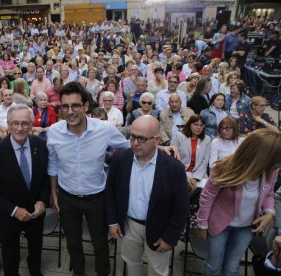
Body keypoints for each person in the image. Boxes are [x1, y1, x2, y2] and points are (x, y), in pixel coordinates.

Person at [47, 82, 177, 276]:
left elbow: (129, 145)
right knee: (72, 242)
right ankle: (79, 272)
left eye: (75, 105)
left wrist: (158, 147)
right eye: (65, 106)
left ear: (85, 106)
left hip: (97, 198)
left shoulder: (103, 129)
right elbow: (53, 165)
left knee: (101, 243)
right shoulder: (54, 132)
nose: (70, 111)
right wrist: (53, 194)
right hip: (67, 198)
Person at [105, 115, 189, 276]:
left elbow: (181, 207)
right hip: (128, 225)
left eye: (142, 139)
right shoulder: (121, 158)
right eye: (132, 137)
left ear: (157, 140)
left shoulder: (174, 168)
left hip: (159, 229)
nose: (135, 143)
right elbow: (110, 192)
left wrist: (171, 237)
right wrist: (113, 221)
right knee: (131, 263)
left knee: (158, 269)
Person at [197, 128, 281, 276]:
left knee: (232, 267)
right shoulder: (226, 167)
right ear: (263, 156)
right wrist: (202, 223)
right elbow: (207, 196)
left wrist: (269, 212)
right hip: (220, 225)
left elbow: (269, 193)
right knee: (213, 265)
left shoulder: (271, 170)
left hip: (246, 227)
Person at [0, 104, 50, 276]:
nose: (20, 128)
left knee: (36, 247)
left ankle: (35, 269)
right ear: (9, 124)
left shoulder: (41, 145)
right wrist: (13, 210)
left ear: (31, 124)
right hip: (8, 215)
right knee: (10, 255)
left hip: (36, 213)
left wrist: (43, 200)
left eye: (25, 123)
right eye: (15, 123)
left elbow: (45, 179)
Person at [171, 114, 211, 190]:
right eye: (196, 124)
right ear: (189, 124)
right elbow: (174, 159)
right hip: (181, 172)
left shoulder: (207, 139)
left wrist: (195, 178)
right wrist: (185, 177)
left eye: (201, 125)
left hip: (199, 174)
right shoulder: (179, 136)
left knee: (206, 190)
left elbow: (205, 161)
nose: (199, 127)